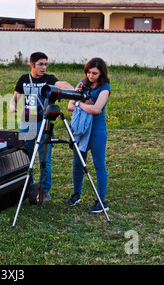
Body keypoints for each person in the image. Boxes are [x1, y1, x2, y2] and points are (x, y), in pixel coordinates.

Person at [9, 52, 74, 201]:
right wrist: (12, 106)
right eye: (40, 64)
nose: (44, 67)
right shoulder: (24, 79)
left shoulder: (49, 79)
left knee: (45, 159)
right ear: (32, 64)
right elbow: (15, 98)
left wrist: (74, 91)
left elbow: (61, 84)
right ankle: (29, 188)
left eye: (45, 64)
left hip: (43, 123)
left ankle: (45, 191)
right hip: (26, 122)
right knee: (26, 157)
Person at [66, 57, 111, 213]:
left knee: (99, 164)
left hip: (97, 130)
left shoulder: (105, 87)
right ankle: (76, 194)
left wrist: (79, 104)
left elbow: (97, 109)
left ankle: (101, 200)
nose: (91, 76)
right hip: (81, 130)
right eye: (88, 72)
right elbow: (70, 106)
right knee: (77, 163)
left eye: (94, 73)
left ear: (101, 73)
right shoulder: (83, 84)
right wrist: (77, 95)